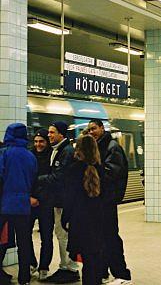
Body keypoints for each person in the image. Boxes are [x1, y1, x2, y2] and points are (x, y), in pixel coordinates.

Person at [87, 119, 132, 284]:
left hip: (107, 200)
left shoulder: (112, 147)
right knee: (100, 238)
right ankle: (102, 271)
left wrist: (90, 171)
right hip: (99, 201)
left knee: (110, 237)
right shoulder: (98, 146)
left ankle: (122, 274)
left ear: (101, 128)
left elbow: (110, 174)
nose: (91, 132)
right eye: (89, 129)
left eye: (94, 129)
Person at [37, 121, 79, 283]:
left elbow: (58, 177)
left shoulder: (66, 151)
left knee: (64, 235)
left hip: (64, 201)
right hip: (59, 200)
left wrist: (38, 179)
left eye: (52, 132)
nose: (49, 135)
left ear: (61, 134)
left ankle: (70, 269)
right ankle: (65, 266)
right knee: (61, 234)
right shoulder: (59, 150)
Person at [62, 135, 105, 285]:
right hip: (97, 220)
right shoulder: (101, 169)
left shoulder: (73, 169)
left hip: (79, 220)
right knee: (95, 258)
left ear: (78, 149)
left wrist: (64, 219)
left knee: (86, 258)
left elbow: (69, 197)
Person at [0, 123, 38, 285]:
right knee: (23, 243)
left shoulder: (4, 153)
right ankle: (24, 279)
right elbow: (34, 179)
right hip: (23, 206)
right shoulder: (31, 156)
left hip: (4, 205)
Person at [29, 129, 54, 281]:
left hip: (46, 202)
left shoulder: (52, 156)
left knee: (47, 237)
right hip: (30, 201)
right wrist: (30, 197)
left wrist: (38, 197)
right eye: (36, 141)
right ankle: (32, 263)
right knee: (26, 235)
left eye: (41, 141)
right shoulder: (29, 155)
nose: (38, 144)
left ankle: (44, 267)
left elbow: (52, 180)